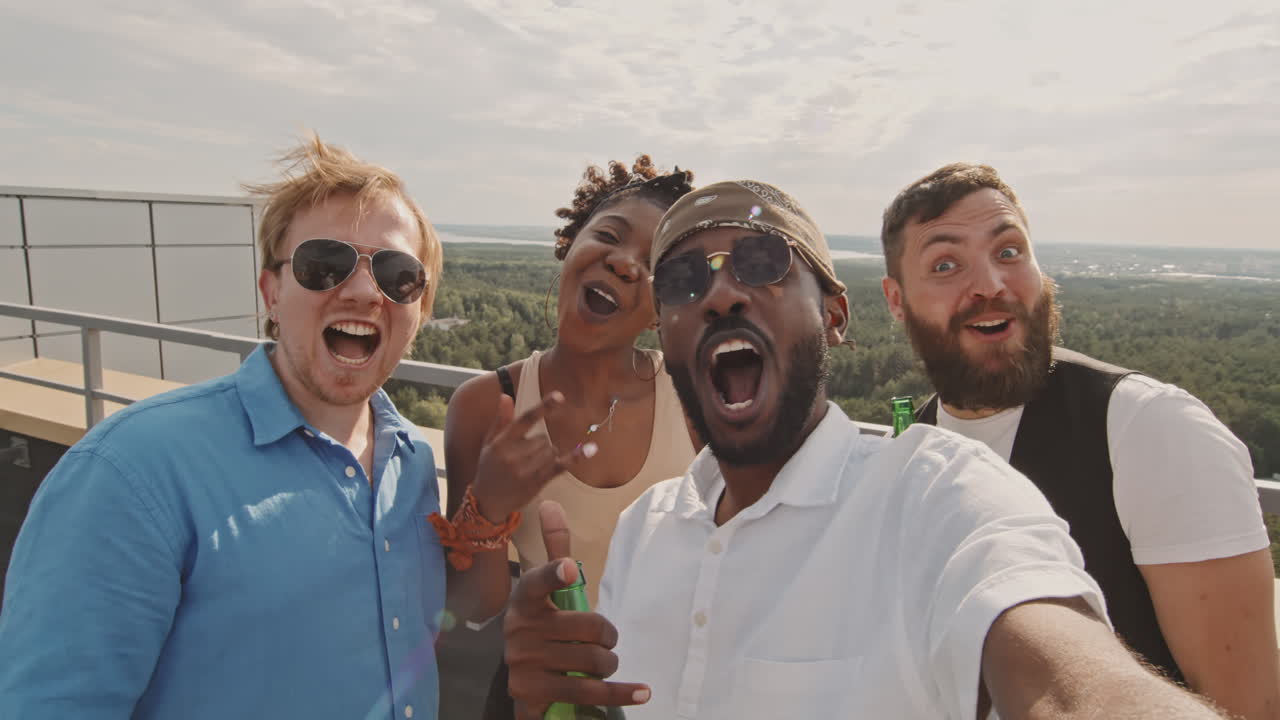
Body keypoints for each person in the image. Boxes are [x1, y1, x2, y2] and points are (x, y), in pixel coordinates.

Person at [500, 179, 1230, 719]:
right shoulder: (644, 530)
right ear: (666, 332)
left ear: (835, 315)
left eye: (761, 261)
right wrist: (554, 698)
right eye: (684, 281)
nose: (721, 295)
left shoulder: (936, 496)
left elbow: (1070, 682)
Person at [0, 135, 447, 720]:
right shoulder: (133, 471)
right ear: (271, 292)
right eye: (324, 264)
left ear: (420, 309)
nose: (365, 291)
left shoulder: (412, 460)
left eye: (398, 273)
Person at [879, 163, 1278, 718]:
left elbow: (1246, 707)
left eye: (1009, 251)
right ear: (897, 301)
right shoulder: (913, 452)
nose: (990, 284)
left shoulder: (1149, 430)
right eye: (946, 264)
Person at [437, 156, 699, 715]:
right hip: (541, 694)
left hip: (666, 694)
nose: (625, 263)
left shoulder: (693, 400)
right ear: (571, 244)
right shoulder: (487, 405)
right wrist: (488, 507)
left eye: (655, 264)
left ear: (665, 308)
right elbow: (473, 606)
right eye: (609, 236)